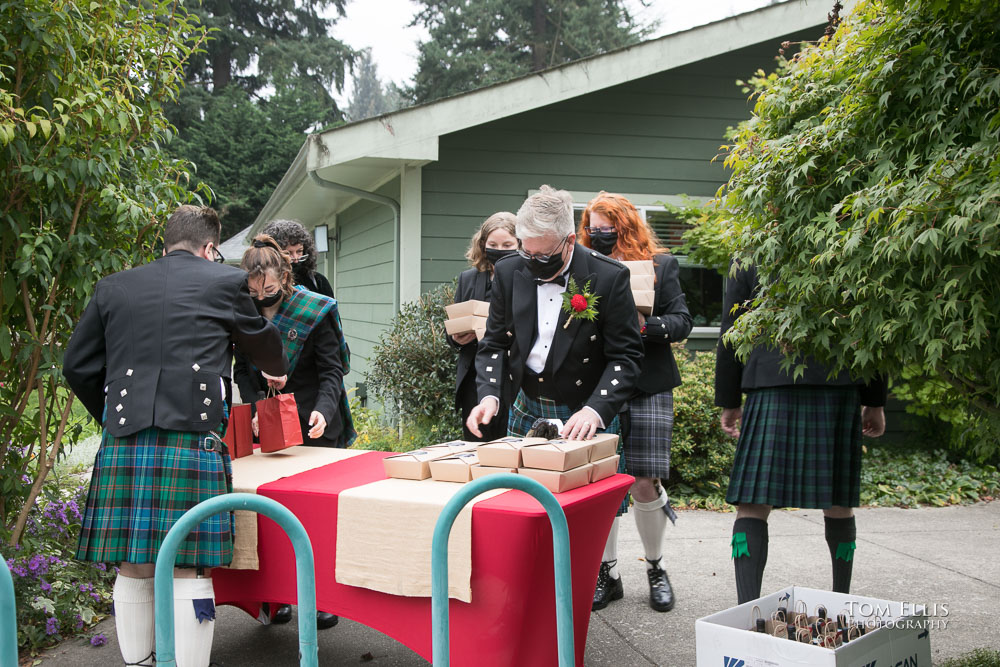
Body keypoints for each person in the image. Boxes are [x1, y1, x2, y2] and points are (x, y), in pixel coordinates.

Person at [63, 205, 287, 667]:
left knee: (133, 561)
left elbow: (77, 366)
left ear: (164, 244)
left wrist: (111, 417)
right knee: (189, 564)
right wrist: (275, 366)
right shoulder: (225, 282)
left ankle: (138, 663)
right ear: (210, 249)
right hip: (192, 437)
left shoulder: (114, 286)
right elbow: (266, 346)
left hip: (125, 437)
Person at [715, 260, 887, 604]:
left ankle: (746, 611)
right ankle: (843, 605)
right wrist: (875, 398)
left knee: (752, 503)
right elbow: (875, 320)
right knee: (838, 501)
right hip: (838, 379)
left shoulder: (753, 246)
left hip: (771, 381)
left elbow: (732, 327)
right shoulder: (850, 236)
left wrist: (729, 398)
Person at [233, 234, 355, 629]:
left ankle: (322, 599)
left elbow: (332, 370)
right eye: (253, 291)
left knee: (317, 516)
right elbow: (241, 370)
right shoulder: (243, 312)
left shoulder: (314, 309)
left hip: (317, 423)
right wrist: (253, 407)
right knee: (270, 516)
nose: (261, 296)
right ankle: (276, 596)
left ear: (284, 277)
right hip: (267, 422)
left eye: (268, 289)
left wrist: (322, 410)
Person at [579, 192, 692, 613]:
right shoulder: (583, 269)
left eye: (608, 225)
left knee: (645, 479)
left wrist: (645, 326)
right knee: (602, 483)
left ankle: (656, 567)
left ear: (625, 225)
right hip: (596, 389)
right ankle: (607, 574)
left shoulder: (662, 266)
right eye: (593, 226)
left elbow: (682, 321)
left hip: (649, 383)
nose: (600, 233)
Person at [466, 184, 643, 447]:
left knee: (587, 488)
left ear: (570, 240)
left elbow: (626, 357)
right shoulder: (508, 270)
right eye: (527, 252)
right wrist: (489, 396)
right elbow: (494, 343)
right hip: (525, 405)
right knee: (521, 488)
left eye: (545, 254)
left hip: (584, 412)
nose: (534, 261)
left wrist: (595, 410)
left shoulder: (609, 276)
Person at [449, 212, 518, 441]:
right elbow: (453, 327)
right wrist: (457, 337)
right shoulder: (468, 278)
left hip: (513, 375)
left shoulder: (527, 279)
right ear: (483, 245)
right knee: (477, 444)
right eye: (493, 244)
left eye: (507, 244)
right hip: (475, 377)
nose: (500, 249)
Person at [261, 218, 334, 298]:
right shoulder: (261, 283)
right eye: (288, 253)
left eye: (299, 251)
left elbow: (332, 309)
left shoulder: (318, 281)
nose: (295, 258)